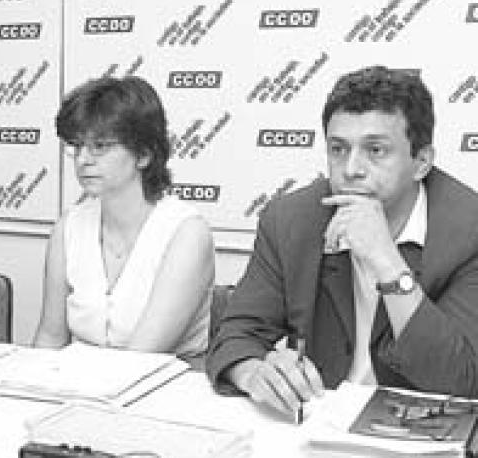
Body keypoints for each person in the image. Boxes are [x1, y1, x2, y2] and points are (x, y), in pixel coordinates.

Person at [207, 65, 478, 416]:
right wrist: (253, 372)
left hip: (422, 430)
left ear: (422, 162)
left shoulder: (468, 231)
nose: (351, 169)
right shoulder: (291, 219)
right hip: (319, 421)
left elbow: (461, 381)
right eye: (338, 149)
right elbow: (236, 334)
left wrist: (387, 262)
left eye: (375, 150)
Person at [33, 76, 214, 368]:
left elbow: (142, 357)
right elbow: (50, 338)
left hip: (160, 386)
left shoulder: (187, 232)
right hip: (77, 383)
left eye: (100, 146)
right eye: (77, 146)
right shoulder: (69, 226)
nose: (83, 159)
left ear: (143, 155)